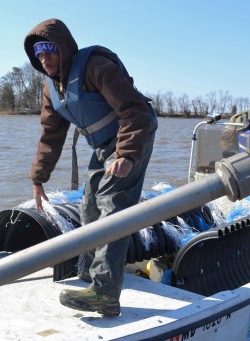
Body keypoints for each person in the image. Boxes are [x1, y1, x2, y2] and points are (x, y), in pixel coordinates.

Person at [24, 18, 157, 317]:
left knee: (113, 205)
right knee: (88, 207)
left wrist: (127, 155)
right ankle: (88, 274)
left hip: (131, 134)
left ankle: (106, 294)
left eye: (49, 52)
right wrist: (38, 179)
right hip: (103, 145)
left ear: (63, 49)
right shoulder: (50, 88)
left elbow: (135, 111)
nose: (44, 59)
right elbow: (50, 135)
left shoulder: (95, 66)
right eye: (39, 55)